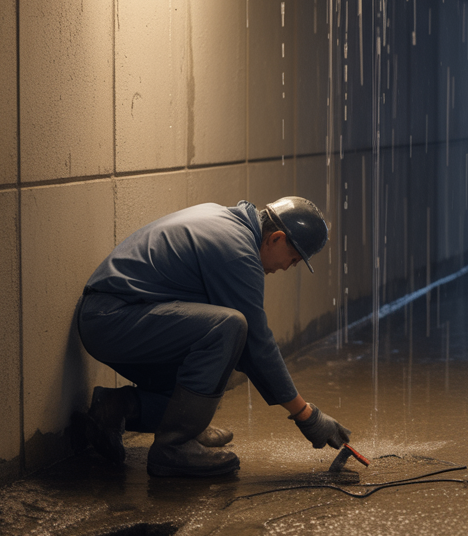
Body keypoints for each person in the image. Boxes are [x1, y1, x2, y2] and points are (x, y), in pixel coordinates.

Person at [74, 196, 351, 477]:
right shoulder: (236, 249)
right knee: (229, 327)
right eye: (293, 260)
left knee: (199, 392)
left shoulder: (228, 223)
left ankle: (114, 408)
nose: (286, 268)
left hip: (116, 316)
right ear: (276, 238)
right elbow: (257, 342)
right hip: (110, 320)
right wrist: (306, 415)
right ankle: (173, 448)